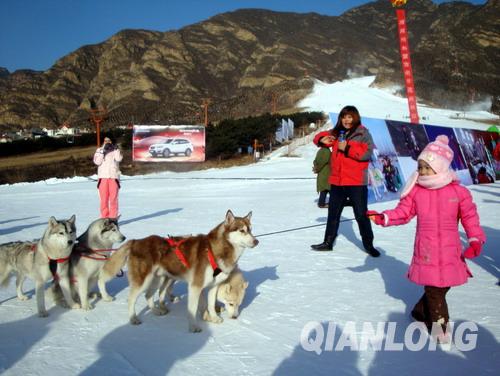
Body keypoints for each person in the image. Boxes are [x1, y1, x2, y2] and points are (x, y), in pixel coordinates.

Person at [367, 135, 486, 341]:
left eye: (426, 167)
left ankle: (420, 312)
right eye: (420, 167)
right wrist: (384, 217)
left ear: (440, 167)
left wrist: (475, 238)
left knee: (443, 284)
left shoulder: (459, 192)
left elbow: (470, 217)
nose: (421, 171)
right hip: (427, 250)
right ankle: (441, 330)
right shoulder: (417, 192)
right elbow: (403, 213)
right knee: (434, 290)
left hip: (450, 249)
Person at [310, 105, 380, 257]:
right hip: (337, 182)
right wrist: (322, 139)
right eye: (344, 117)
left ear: (356, 118)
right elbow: (317, 138)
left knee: (361, 215)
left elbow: (367, 154)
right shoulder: (336, 133)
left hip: (356, 182)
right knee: (333, 213)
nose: (347, 120)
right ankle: (328, 242)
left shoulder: (363, 133)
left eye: (350, 117)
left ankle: (369, 245)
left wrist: (346, 148)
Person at [93, 136, 123, 219]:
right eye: (105, 140)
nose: (107, 142)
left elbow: (119, 159)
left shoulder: (115, 150)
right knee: (104, 199)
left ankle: (113, 218)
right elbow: (97, 162)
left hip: (113, 177)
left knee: (113, 199)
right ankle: (104, 218)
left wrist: (116, 149)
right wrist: (103, 152)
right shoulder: (99, 150)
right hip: (103, 178)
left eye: (109, 140)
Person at [312, 133, 331, 208]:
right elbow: (321, 162)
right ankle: (322, 203)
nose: (329, 140)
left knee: (325, 189)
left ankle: (321, 203)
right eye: (326, 139)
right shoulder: (325, 151)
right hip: (325, 173)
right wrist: (317, 169)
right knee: (327, 188)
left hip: (325, 173)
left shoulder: (324, 150)